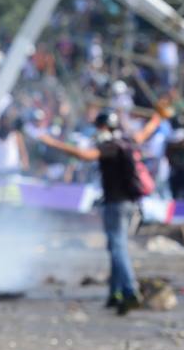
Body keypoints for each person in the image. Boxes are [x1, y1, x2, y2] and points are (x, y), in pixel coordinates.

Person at [40, 111, 147, 315]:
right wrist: (159, 116)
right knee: (115, 246)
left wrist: (53, 143)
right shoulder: (126, 142)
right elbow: (144, 134)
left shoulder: (110, 146)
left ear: (104, 127)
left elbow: (85, 155)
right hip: (128, 203)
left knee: (117, 248)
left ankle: (130, 290)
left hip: (116, 204)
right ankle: (115, 293)